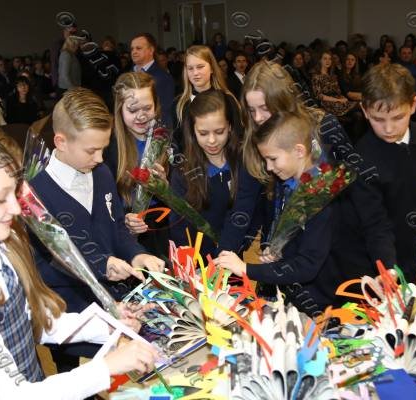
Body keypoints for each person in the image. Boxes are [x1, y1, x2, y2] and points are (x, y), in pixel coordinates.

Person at [0, 125, 159, 399]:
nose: (16, 208)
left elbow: (34, 322)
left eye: (15, 194)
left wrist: (107, 325)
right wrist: (105, 368)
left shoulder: (1, 247)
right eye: (1, 199)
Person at [220, 61, 397, 282]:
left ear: (283, 100)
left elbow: (364, 199)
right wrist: (222, 258)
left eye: (265, 108)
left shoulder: (324, 127)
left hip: (330, 256)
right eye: (251, 110)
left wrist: (385, 263)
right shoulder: (253, 142)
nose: (258, 118)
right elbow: (244, 208)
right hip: (281, 256)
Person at [29, 87, 165, 373]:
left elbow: (117, 228)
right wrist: (100, 265)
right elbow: (42, 268)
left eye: (104, 148)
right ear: (61, 142)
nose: (101, 158)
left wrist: (136, 254)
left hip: (118, 306)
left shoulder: (100, 173)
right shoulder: (35, 192)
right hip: (71, 317)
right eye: (92, 150)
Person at [214, 111, 342, 316]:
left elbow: (308, 265)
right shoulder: (289, 183)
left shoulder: (321, 196)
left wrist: (247, 269)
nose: (268, 167)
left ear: (299, 151)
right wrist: (280, 252)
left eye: (272, 159)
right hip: (293, 295)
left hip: (321, 304)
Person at [357, 63, 416, 283]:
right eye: (378, 119)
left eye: (398, 117)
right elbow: (374, 221)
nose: (389, 129)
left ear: (413, 105)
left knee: (408, 297)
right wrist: (387, 268)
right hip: (373, 254)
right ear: (365, 110)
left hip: (409, 245)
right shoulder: (362, 157)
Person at [169, 90, 243, 257]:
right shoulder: (183, 172)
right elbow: (178, 226)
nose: (212, 140)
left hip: (233, 258)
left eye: (219, 132)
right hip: (198, 262)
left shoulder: (242, 163)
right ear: (192, 131)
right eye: (203, 133)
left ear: (230, 127)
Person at [104, 72, 169, 257]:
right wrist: (123, 219)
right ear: (120, 109)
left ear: (156, 105)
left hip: (162, 231)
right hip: (125, 234)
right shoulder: (108, 147)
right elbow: (103, 199)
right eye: (132, 111)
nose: (141, 116)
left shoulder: (166, 139)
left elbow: (184, 197)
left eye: (147, 108)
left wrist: (166, 189)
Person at [173, 45, 243, 152]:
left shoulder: (227, 100)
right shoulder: (180, 104)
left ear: (212, 68)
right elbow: (178, 141)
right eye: (190, 68)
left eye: (200, 67)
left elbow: (237, 135)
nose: (195, 73)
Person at [130, 33, 175, 126]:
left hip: (153, 130)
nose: (134, 52)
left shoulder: (163, 77)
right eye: (132, 49)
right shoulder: (127, 74)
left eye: (138, 48)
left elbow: (165, 112)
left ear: (151, 50)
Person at [312, 51, 357, 117]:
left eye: (330, 59)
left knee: (358, 110)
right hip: (328, 104)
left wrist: (343, 98)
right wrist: (338, 100)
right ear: (320, 60)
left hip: (339, 101)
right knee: (358, 109)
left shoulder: (333, 76)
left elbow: (338, 91)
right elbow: (319, 95)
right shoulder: (316, 76)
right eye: (325, 58)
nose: (328, 61)